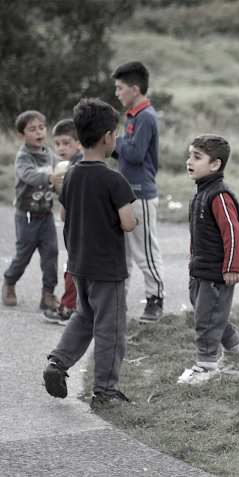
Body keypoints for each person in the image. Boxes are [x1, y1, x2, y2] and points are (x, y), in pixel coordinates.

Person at [42, 98, 137, 409]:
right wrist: (133, 218)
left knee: (85, 315)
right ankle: (106, 390)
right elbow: (127, 224)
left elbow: (66, 216)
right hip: (108, 268)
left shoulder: (70, 175)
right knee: (111, 327)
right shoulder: (114, 180)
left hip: (79, 263)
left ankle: (58, 362)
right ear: (108, 137)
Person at [177, 134, 239, 384]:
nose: (189, 161)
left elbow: (233, 233)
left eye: (197, 157)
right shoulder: (201, 191)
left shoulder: (219, 196)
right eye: (189, 155)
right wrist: (193, 260)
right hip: (199, 268)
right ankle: (237, 347)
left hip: (217, 273)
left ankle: (207, 365)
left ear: (215, 164)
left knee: (206, 318)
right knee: (207, 311)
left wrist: (233, 267)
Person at [112, 60, 165, 322]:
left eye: (120, 88)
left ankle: (155, 299)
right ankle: (118, 300)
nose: (117, 93)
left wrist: (115, 141)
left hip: (141, 194)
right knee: (122, 253)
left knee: (144, 251)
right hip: (125, 193)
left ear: (135, 88)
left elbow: (133, 154)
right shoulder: (133, 114)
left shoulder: (146, 116)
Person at [1, 110, 59, 312]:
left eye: (41, 127)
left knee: (51, 254)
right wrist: (50, 178)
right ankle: (9, 281)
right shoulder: (23, 157)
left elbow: (57, 178)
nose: (38, 132)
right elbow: (30, 176)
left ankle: (48, 294)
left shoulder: (50, 154)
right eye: (32, 129)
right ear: (21, 135)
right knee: (23, 256)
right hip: (26, 216)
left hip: (47, 215)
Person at [43, 118, 83, 325]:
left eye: (66, 143)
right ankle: (77, 307)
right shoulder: (67, 165)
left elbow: (67, 204)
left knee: (73, 268)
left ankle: (68, 308)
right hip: (76, 227)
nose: (61, 148)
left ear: (79, 142)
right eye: (57, 143)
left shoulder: (75, 167)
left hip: (80, 227)